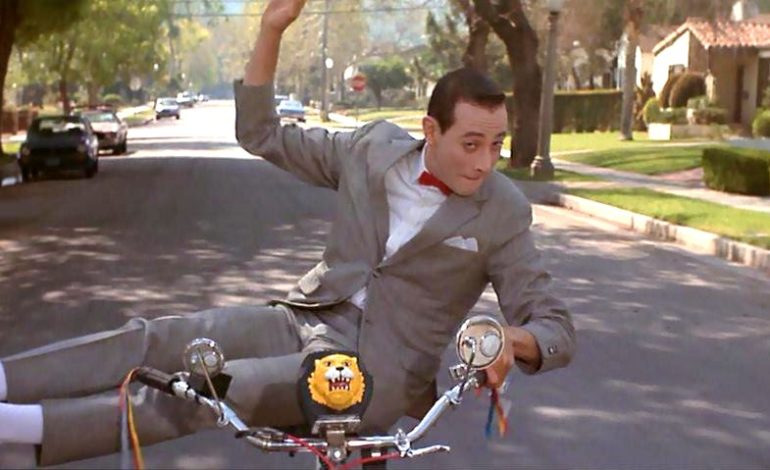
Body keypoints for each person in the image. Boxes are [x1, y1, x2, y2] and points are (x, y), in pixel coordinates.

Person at [0, 0, 575, 466]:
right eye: (470, 144)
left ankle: (26, 433)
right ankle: (7, 380)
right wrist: (272, 29)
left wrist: (512, 339)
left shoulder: (503, 210)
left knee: (219, 385)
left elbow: (554, 326)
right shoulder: (372, 149)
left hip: (372, 372)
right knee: (162, 337)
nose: (484, 162)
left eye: (496, 144)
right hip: (302, 318)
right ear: (430, 129)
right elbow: (261, 133)